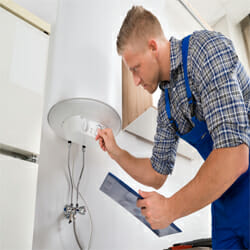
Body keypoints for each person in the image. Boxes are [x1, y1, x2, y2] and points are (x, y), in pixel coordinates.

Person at [95, 6, 249, 249]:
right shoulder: (167, 107)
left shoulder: (204, 51)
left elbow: (235, 155)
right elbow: (156, 175)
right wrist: (116, 152)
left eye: (135, 68)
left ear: (153, 47)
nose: (135, 81)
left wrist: (170, 208)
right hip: (224, 199)